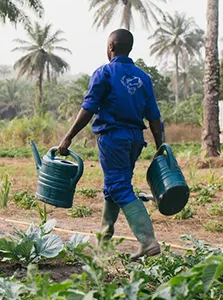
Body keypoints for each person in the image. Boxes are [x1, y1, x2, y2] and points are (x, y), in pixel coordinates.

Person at [56, 29, 164, 260]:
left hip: (113, 138)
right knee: (113, 186)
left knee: (119, 187)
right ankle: (104, 239)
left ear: (112, 47)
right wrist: (160, 147)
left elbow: (89, 108)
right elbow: (154, 117)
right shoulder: (143, 78)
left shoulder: (104, 73)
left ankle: (148, 241)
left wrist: (68, 136)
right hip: (135, 140)